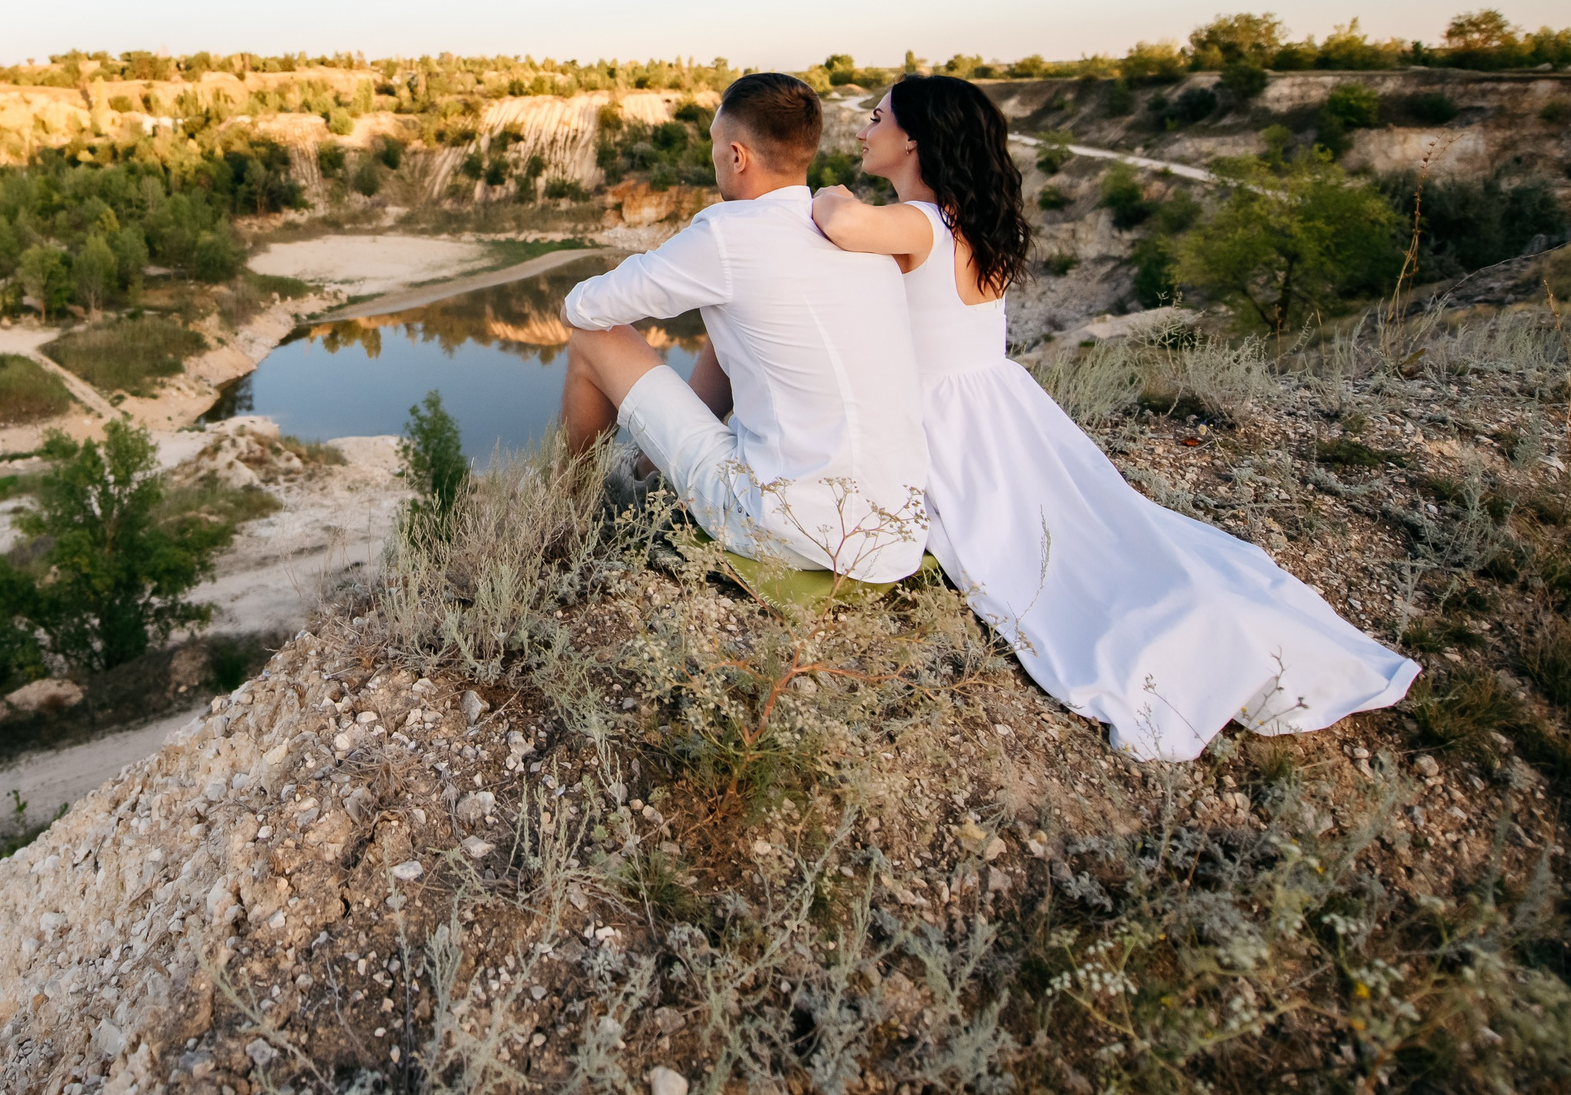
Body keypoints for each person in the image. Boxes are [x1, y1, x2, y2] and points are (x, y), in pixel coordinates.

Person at [811, 73, 1416, 761]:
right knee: (1080, 535)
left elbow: (839, 222)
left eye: (876, 117)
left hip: (945, 416)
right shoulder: (968, 219)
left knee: (1037, 558)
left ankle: (1192, 646)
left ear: (914, 139)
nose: (863, 129)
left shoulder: (918, 222)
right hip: (999, 405)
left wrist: (828, 193)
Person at [560, 72, 932, 584]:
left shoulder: (728, 233)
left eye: (716, 145)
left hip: (787, 528)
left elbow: (584, 309)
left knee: (592, 337)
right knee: (745, 325)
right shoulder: (862, 236)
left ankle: (569, 508)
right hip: (892, 535)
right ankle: (646, 470)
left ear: (737, 156)